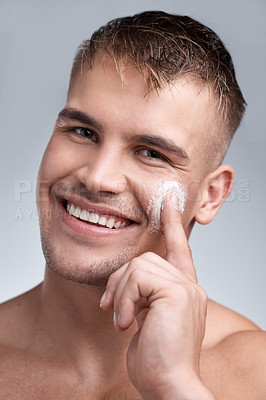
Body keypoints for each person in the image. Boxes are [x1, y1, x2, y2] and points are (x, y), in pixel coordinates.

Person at [0, 10, 265, 399]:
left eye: (151, 153)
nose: (98, 178)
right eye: (83, 131)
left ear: (211, 196)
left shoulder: (255, 375)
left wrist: (174, 387)